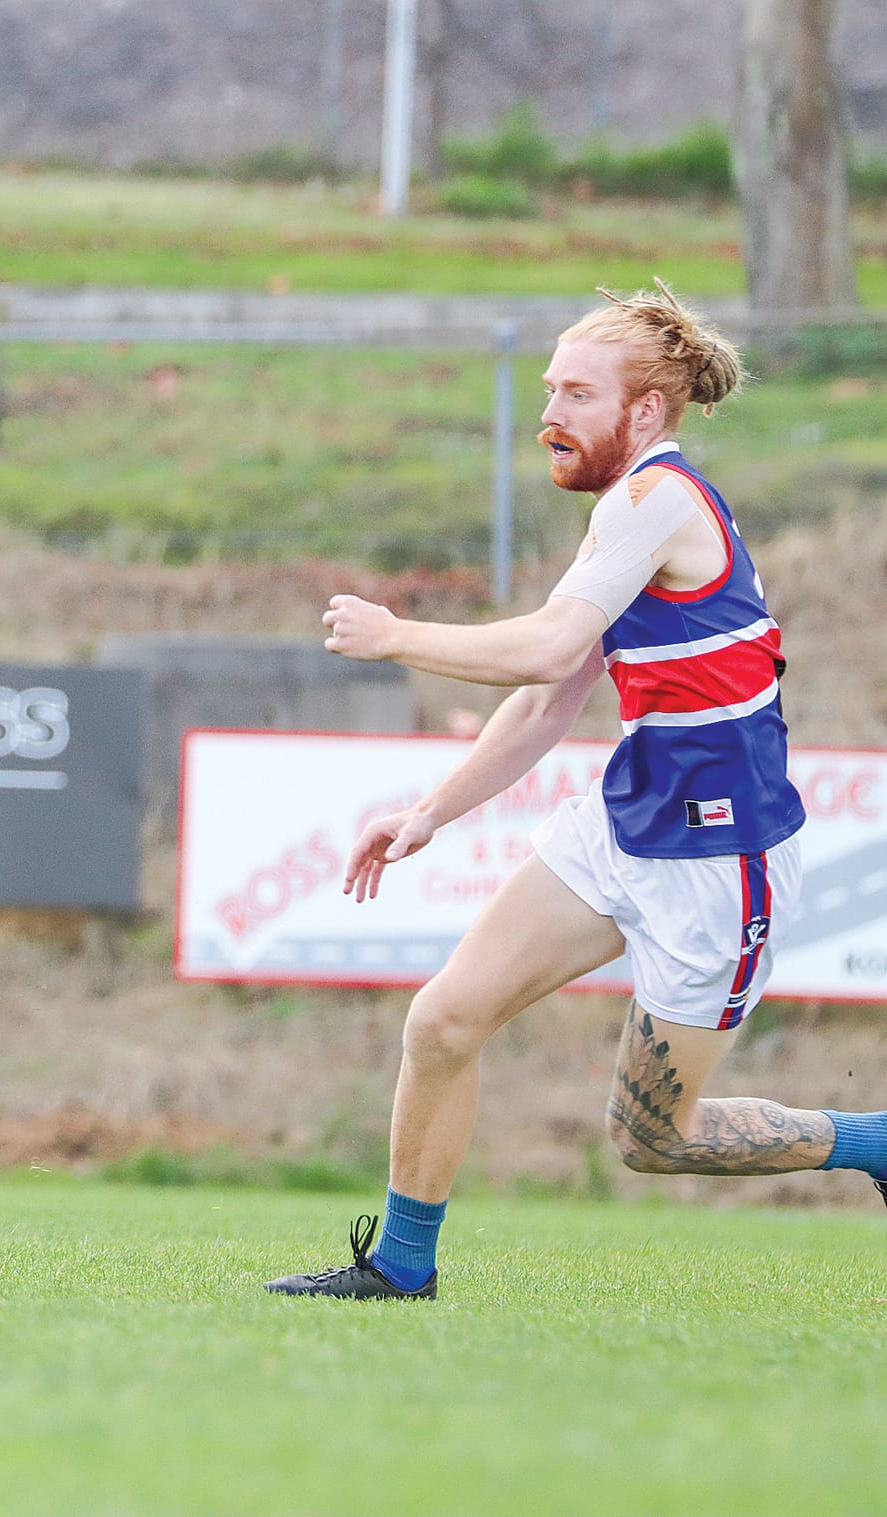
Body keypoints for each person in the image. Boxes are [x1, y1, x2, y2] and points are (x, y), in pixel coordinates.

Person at [267, 280, 887, 1300]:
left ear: (642, 410)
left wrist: (395, 636)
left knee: (654, 1137)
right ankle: (399, 1266)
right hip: (622, 819)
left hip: (714, 857)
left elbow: (548, 640)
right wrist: (429, 812)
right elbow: (551, 694)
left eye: (575, 393)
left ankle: (871, 1138)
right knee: (443, 1020)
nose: (548, 412)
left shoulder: (657, 497)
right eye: (548, 387)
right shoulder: (622, 512)